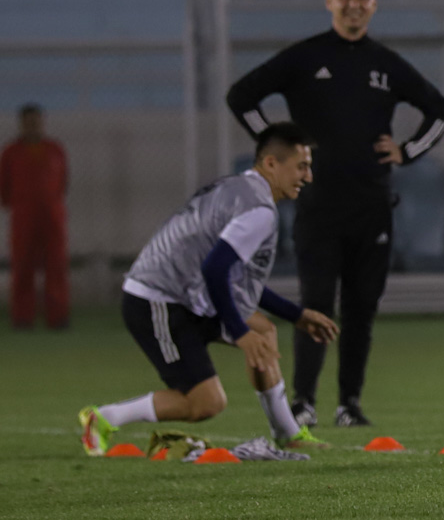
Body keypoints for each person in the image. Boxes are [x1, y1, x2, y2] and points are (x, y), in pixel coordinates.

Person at [226, 0, 444, 427]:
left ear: (374, 5)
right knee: (315, 305)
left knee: (361, 310)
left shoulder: (386, 65)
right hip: (318, 208)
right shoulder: (306, 57)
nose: (354, 4)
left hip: (372, 207)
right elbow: (241, 95)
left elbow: (440, 112)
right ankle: (304, 402)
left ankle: (349, 403)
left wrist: (407, 152)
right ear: (329, 2)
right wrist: (277, 146)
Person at [77, 123, 338, 456]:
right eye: (302, 166)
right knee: (206, 403)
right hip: (158, 300)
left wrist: (296, 314)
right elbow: (215, 270)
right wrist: (238, 331)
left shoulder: (235, 187)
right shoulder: (259, 211)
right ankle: (102, 418)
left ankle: (287, 434)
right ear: (271, 163)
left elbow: (234, 278)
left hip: (185, 296)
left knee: (263, 330)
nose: (309, 176)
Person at [1, 104, 69, 331]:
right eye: (28, 121)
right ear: (22, 123)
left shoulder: (54, 149)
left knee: (56, 265)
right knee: (23, 266)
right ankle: (22, 318)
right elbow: (4, 186)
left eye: (36, 121)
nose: (33, 125)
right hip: (23, 215)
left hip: (52, 215)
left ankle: (57, 317)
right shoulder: (11, 152)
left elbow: (62, 182)